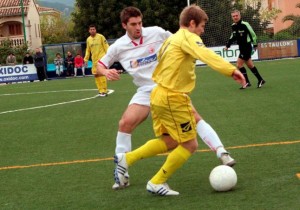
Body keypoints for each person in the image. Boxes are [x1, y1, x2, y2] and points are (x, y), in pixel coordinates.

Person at [97, 6, 239, 190]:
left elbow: (176, 42)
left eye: (140, 23)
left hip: (165, 85)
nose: (138, 27)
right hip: (147, 91)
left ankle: (221, 151)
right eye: (133, 24)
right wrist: (106, 71)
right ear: (124, 25)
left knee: (191, 121)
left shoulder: (156, 32)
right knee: (125, 123)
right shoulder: (118, 46)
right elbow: (99, 65)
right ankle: (122, 173)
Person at [225, 9, 265, 89]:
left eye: (237, 15)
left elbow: (252, 34)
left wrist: (255, 44)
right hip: (241, 47)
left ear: (240, 16)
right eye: (233, 16)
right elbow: (233, 36)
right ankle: (260, 80)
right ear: (232, 17)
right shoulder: (233, 26)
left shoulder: (245, 24)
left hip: (247, 47)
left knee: (239, 64)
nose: (235, 17)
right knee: (250, 65)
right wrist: (228, 45)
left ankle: (246, 82)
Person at [84, 25, 109, 96]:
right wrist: (86, 59)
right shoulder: (88, 39)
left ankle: (104, 90)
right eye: (91, 29)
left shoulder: (101, 37)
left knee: (101, 74)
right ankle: (100, 90)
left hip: (102, 59)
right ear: (89, 31)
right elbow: (88, 50)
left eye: (93, 29)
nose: (92, 30)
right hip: (94, 60)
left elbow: (106, 46)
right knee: (96, 75)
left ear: (96, 30)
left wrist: (108, 56)